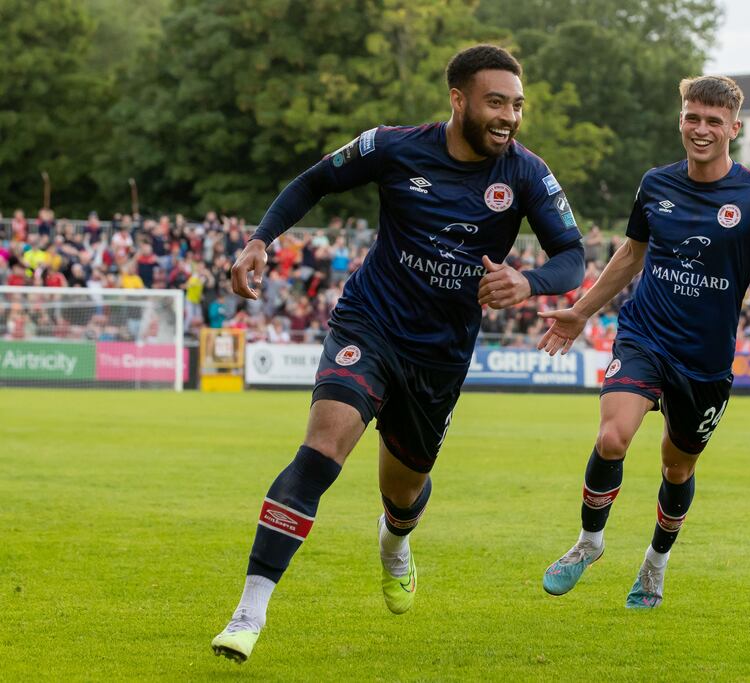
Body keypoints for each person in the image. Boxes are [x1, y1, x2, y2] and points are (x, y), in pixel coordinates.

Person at [211, 44, 585, 662]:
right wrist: (260, 239)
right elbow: (314, 181)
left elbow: (569, 253)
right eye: (496, 102)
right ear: (458, 100)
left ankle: (395, 542)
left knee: (403, 491)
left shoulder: (526, 173)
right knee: (321, 450)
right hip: (370, 322)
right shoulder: (392, 146)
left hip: (439, 353)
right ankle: (249, 613)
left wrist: (529, 281)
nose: (509, 116)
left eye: (517, 105)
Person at [535, 75, 750, 609]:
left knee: (676, 468)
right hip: (645, 335)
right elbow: (631, 255)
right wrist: (581, 310)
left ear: (734, 126)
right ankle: (588, 544)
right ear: (680, 119)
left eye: (713, 121)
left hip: (704, 361)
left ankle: (655, 564)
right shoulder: (655, 185)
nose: (700, 129)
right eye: (691, 117)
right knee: (613, 438)